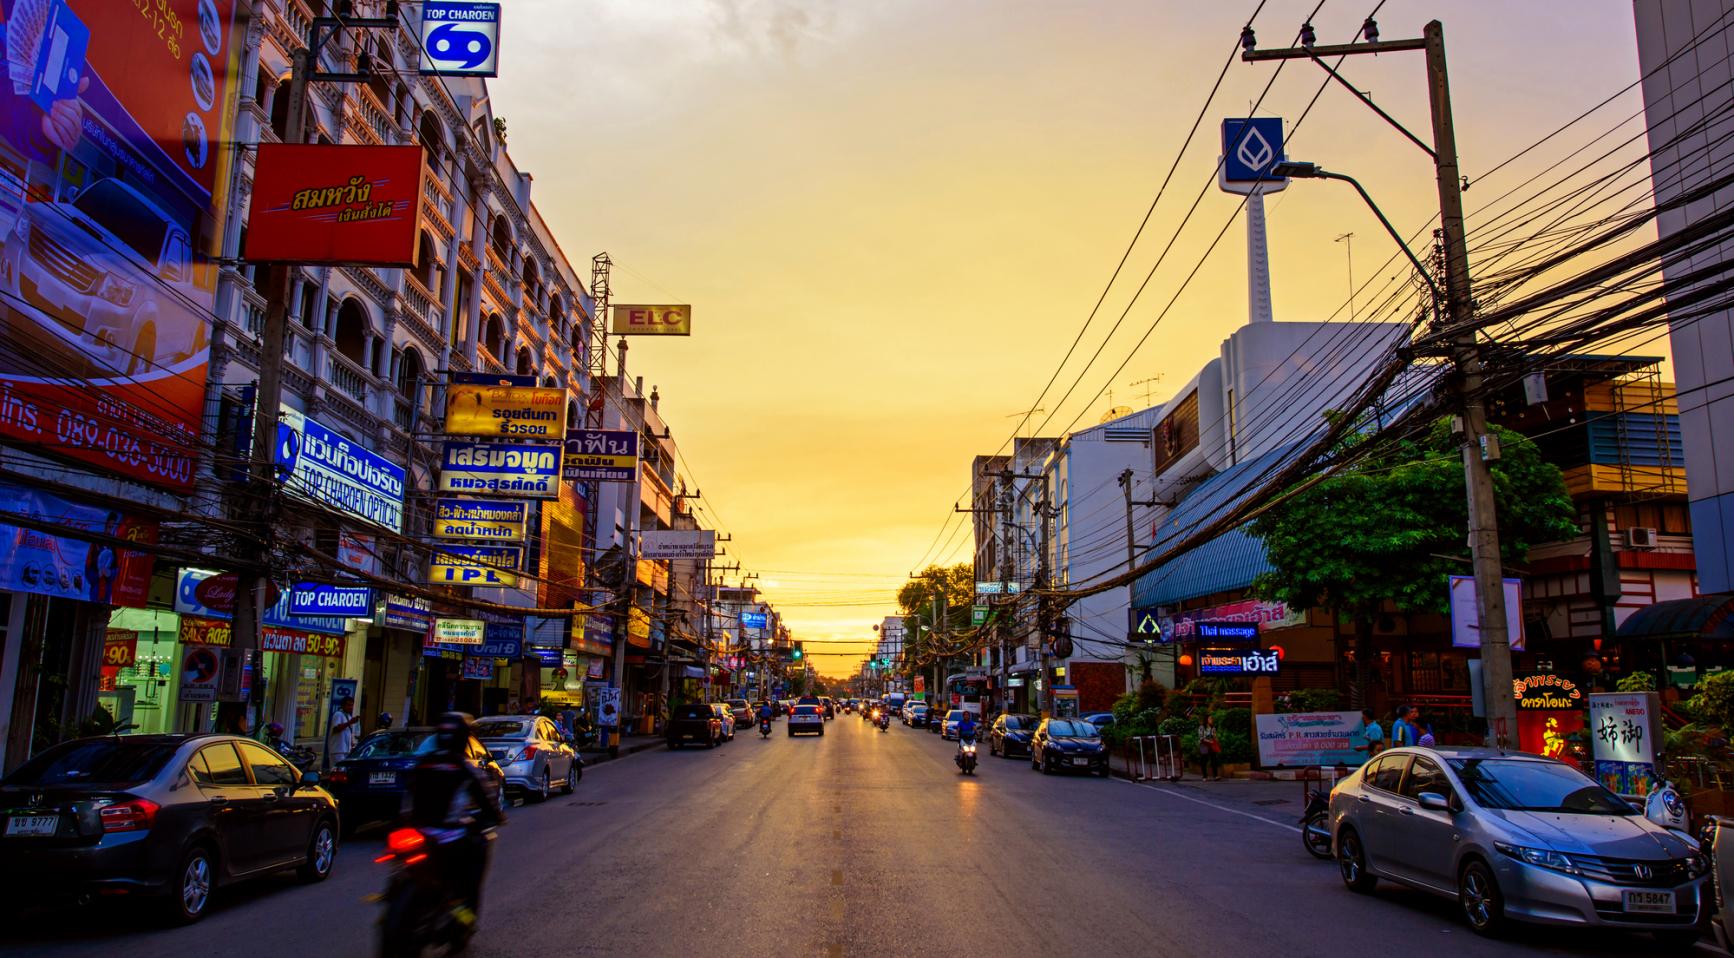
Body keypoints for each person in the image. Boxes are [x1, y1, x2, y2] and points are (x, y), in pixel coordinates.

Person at [400, 713, 505, 926]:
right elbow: (487, 801)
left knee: (401, 871)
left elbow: (406, 798)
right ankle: (465, 914)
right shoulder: (464, 767)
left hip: (417, 832)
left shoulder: (423, 764)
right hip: (450, 835)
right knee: (476, 856)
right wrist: (497, 817)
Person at [328, 695, 361, 765]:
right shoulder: (338, 714)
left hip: (346, 750)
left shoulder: (349, 716)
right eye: (348, 705)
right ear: (342, 706)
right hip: (338, 750)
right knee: (338, 770)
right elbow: (336, 729)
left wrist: (352, 744)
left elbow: (348, 733)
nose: (350, 707)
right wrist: (350, 722)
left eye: (352, 705)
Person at [1197, 713, 1222, 781]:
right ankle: (1205, 776)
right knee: (1204, 760)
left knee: (1214, 759)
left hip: (1211, 745)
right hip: (1204, 744)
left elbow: (1214, 735)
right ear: (1206, 719)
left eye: (1211, 718)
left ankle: (1216, 776)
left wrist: (1216, 740)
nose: (1211, 720)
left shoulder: (1212, 727)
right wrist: (1208, 741)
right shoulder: (1202, 727)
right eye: (1210, 718)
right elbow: (1201, 737)